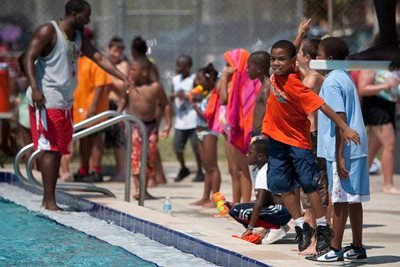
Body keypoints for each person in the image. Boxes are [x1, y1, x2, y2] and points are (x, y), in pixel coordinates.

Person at [24, 0, 133, 211]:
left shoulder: (78, 38)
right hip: (46, 99)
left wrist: (123, 77)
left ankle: (50, 200)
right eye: (86, 16)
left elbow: (99, 57)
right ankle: (49, 201)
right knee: (50, 150)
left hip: (65, 101)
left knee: (58, 151)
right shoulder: (49, 30)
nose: (89, 20)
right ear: (73, 14)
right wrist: (35, 88)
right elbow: (28, 57)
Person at [262, 40, 360, 253]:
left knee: (309, 184)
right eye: (273, 59)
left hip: (298, 142)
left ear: (292, 62)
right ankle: (301, 225)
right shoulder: (275, 75)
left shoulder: (295, 84)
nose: (276, 63)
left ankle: (323, 228)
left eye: (281, 59)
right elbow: (291, 49)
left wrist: (344, 127)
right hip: (277, 142)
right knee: (281, 185)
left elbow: (323, 106)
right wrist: (299, 34)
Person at [307, 37, 370, 262]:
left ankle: (335, 249)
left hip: (344, 150)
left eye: (320, 55)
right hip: (356, 146)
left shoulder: (332, 81)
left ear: (330, 59)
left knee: (340, 199)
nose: (316, 59)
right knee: (354, 199)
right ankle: (357, 247)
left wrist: (339, 156)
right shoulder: (344, 77)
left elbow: (340, 118)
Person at [296, 38, 331, 255]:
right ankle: (314, 236)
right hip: (308, 137)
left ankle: (319, 238)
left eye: (299, 53)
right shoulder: (310, 76)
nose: (297, 56)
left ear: (307, 57)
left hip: (313, 137)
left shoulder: (313, 78)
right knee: (308, 190)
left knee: (316, 189)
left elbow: (296, 98)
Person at [118, 57, 171, 200]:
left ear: (144, 72)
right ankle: (138, 189)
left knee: (149, 158)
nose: (130, 72)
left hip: (151, 126)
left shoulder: (155, 87)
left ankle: (144, 189)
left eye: (134, 69)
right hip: (134, 125)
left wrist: (167, 124)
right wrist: (118, 115)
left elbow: (165, 104)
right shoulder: (129, 85)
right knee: (136, 157)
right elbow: (123, 100)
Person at [217, 48, 261, 204]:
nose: (226, 67)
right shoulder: (232, 80)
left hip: (242, 131)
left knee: (243, 170)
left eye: (229, 63)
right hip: (229, 130)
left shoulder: (249, 83)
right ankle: (235, 205)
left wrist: (225, 77)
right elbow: (221, 97)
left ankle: (244, 204)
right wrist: (224, 77)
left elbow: (225, 101)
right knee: (233, 170)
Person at [229, 138, 291, 244]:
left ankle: (276, 227)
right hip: (281, 210)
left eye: (250, 153)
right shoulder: (263, 168)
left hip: (281, 211)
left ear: (260, 157)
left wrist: (250, 228)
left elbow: (260, 202)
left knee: (238, 211)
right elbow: (265, 199)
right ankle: (274, 225)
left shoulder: (264, 171)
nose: (247, 155)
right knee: (239, 208)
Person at [72, 27, 112, 182]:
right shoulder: (79, 59)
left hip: (93, 109)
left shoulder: (95, 58)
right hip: (80, 109)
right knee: (84, 139)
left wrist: (93, 108)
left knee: (95, 139)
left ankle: (96, 169)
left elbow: (100, 85)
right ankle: (84, 168)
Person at [131, 36, 166, 185]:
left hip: (152, 108)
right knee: (145, 147)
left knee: (151, 146)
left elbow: (156, 86)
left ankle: (155, 176)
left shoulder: (147, 66)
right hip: (147, 111)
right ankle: (157, 176)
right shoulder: (142, 66)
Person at [358, 69, 400, 194]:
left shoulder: (390, 64)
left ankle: (360, 181)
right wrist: (386, 85)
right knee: (389, 145)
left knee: (374, 146)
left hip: (388, 106)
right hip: (376, 107)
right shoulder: (372, 65)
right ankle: (388, 185)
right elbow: (363, 88)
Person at [190, 63, 221, 207]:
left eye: (200, 79)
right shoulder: (204, 95)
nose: (197, 82)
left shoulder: (213, 96)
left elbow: (207, 116)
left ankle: (215, 198)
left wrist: (195, 107)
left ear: (209, 80)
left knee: (213, 166)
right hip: (200, 131)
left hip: (209, 131)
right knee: (206, 167)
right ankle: (205, 196)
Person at [171, 55, 204, 182]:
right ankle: (183, 168)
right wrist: (174, 96)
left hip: (193, 119)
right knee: (177, 147)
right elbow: (171, 95)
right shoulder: (175, 80)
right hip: (180, 121)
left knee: (196, 148)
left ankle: (200, 170)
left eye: (182, 65)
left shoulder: (193, 79)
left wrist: (187, 96)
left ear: (188, 66)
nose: (179, 67)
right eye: (178, 64)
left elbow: (200, 96)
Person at [105, 37, 129, 181]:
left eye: (119, 51)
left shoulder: (123, 65)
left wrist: (106, 78)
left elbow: (121, 85)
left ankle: (121, 172)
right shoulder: (105, 64)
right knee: (107, 139)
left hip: (117, 104)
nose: (116, 54)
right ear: (109, 50)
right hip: (104, 105)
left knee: (119, 140)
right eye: (114, 51)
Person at [246, 51, 271, 135]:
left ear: (258, 68)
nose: (247, 70)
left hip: (263, 134)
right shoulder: (264, 86)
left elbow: (271, 115)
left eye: (249, 66)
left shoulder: (267, 89)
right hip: (258, 132)